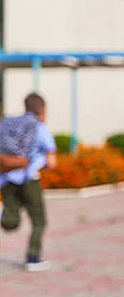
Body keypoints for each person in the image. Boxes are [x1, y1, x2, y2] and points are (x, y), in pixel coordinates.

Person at [0, 93, 57, 272]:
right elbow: (52, 161)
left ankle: (6, 217)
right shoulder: (40, 128)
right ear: (42, 109)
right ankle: (33, 258)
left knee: (11, 221)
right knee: (39, 221)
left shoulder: (8, 124)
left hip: (7, 178)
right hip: (29, 179)